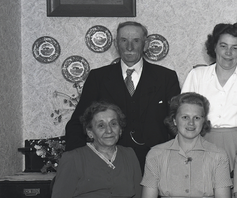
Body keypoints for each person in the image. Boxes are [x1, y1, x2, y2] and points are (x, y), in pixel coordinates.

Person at [64, 21, 181, 173]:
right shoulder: (98, 78)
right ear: (116, 44)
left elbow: (177, 124)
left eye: (136, 41)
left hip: (156, 165)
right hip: (108, 164)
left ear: (145, 45)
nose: (129, 47)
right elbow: (79, 122)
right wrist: (78, 161)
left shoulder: (166, 78)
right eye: (124, 40)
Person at [181, 23, 237, 170]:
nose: (228, 52)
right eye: (223, 46)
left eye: (235, 48)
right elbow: (183, 114)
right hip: (202, 141)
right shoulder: (197, 75)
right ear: (214, 47)